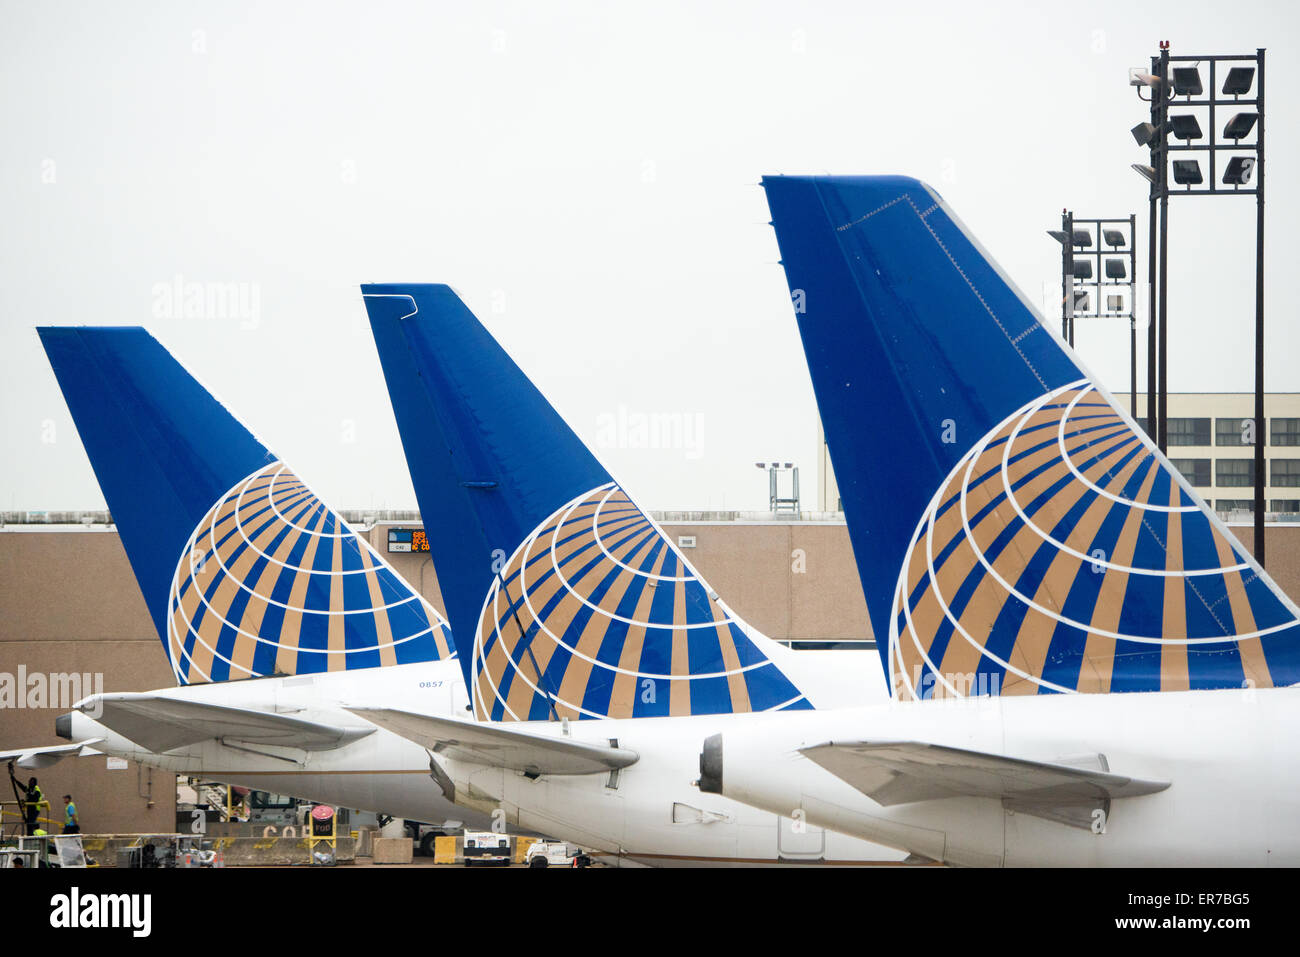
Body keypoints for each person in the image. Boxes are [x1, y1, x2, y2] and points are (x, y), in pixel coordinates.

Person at [8, 763, 46, 836]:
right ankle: (29, 835)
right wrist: (15, 780)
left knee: (30, 822)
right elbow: (22, 787)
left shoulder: (36, 789)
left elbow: (35, 798)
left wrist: (27, 801)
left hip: (35, 809)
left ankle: (30, 836)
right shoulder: (29, 789)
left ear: (34, 783)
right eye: (29, 781)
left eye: (31, 782)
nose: (29, 783)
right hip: (29, 808)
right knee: (28, 822)